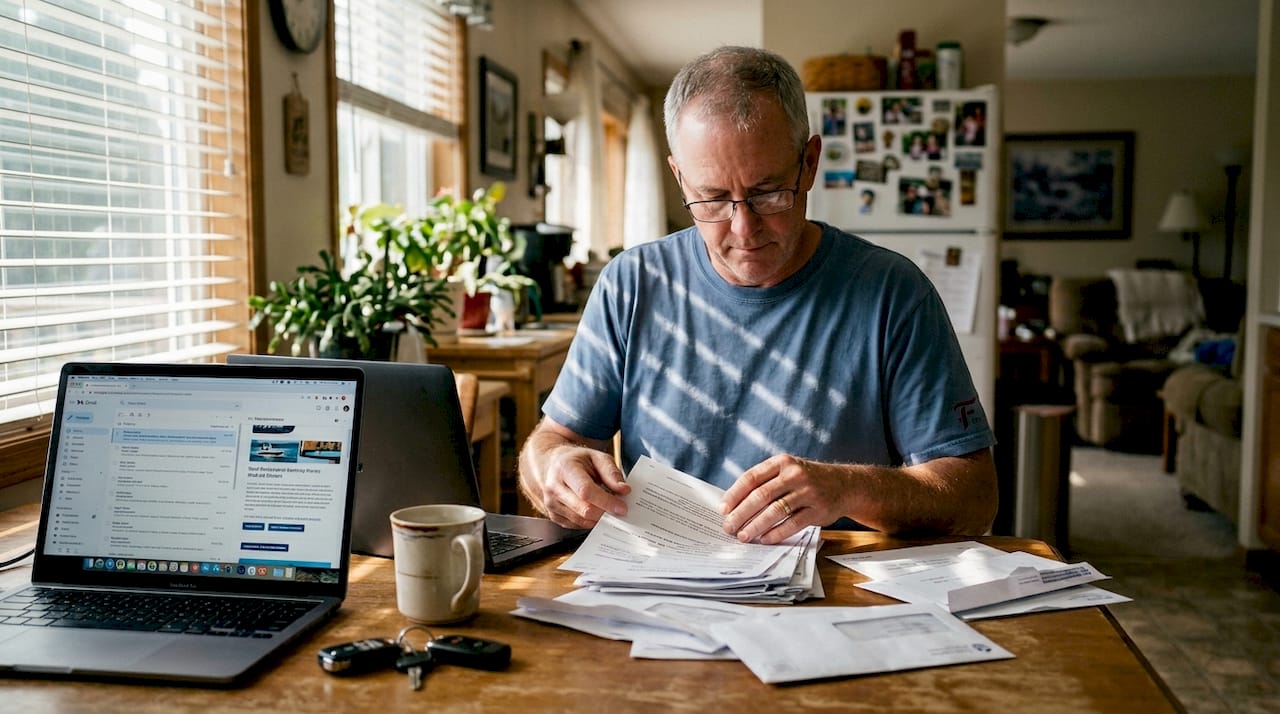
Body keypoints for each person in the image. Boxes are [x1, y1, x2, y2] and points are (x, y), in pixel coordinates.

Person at [517, 46, 996, 545]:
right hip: (662, 588)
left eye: (768, 193)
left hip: (832, 599)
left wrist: (846, 488)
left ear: (808, 164)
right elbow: (553, 442)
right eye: (713, 198)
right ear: (680, 177)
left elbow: (974, 498)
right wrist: (553, 467)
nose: (743, 229)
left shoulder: (892, 292)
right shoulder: (631, 284)